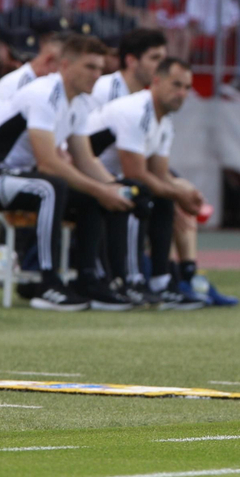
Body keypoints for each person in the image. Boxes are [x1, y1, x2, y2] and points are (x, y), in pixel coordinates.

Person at [0, 34, 135, 311]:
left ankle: (90, 279)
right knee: (51, 187)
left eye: (101, 69)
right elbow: (48, 163)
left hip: (16, 176)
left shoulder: (79, 102)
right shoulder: (45, 93)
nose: (97, 75)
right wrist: (102, 189)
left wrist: (115, 188)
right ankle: (46, 281)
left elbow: (85, 159)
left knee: (90, 197)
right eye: (90, 67)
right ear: (65, 65)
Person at [79, 57, 209, 308]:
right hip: (85, 178)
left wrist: (185, 192)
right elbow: (137, 173)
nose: (181, 93)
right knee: (140, 193)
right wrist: (178, 193)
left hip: (111, 180)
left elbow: (160, 173)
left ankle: (161, 281)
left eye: (186, 88)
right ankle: (130, 280)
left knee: (162, 196)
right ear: (156, 81)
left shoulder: (164, 122)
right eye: (176, 85)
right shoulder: (136, 111)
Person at [0, 26, 63, 117]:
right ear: (48, 60)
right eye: (21, 60)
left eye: (30, 60)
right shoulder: (15, 82)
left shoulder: (44, 84)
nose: (19, 65)